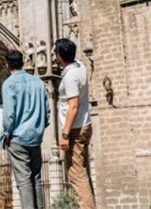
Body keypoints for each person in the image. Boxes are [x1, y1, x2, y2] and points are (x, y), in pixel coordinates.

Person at [1, 49, 50, 209]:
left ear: (7, 65)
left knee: (24, 181)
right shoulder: (38, 82)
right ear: (23, 63)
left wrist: (7, 133)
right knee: (36, 179)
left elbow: (9, 114)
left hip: (18, 138)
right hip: (35, 138)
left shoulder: (9, 84)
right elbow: (47, 110)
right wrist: (39, 127)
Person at [54, 38, 96, 209]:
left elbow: (73, 106)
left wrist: (65, 134)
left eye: (55, 53)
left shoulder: (70, 76)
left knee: (77, 175)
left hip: (75, 129)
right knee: (83, 173)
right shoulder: (80, 66)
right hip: (84, 125)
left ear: (59, 56)